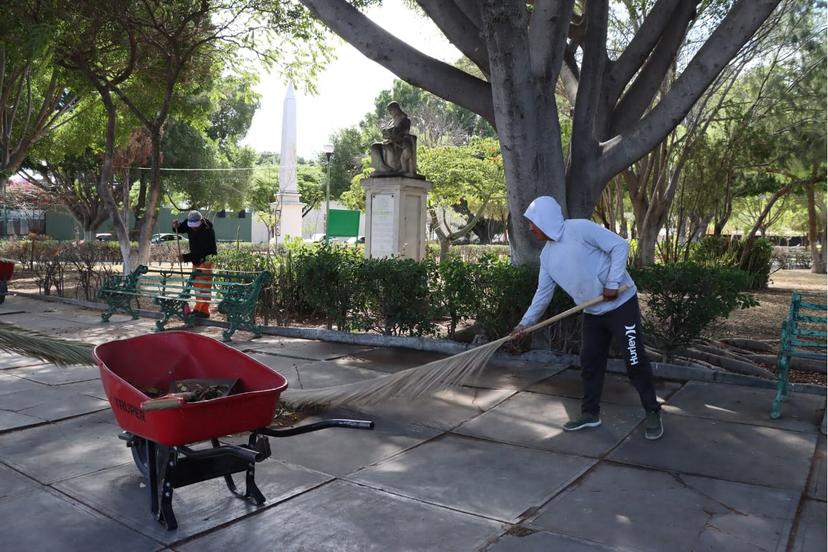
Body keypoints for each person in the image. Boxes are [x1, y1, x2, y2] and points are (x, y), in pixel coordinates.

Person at [511, 196, 663, 440]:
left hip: (622, 304)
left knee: (634, 359)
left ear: (545, 220)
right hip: (593, 311)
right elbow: (543, 294)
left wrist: (613, 283)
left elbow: (619, 246)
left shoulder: (579, 229)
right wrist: (524, 324)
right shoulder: (547, 258)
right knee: (590, 363)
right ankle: (590, 414)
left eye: (532, 222)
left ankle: (652, 410)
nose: (530, 228)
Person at [172, 210, 217, 319]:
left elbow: (201, 252)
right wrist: (175, 226)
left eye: (195, 226)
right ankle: (198, 309)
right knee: (197, 285)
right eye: (191, 226)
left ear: (201, 221)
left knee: (204, 286)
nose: (193, 228)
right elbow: (180, 228)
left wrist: (185, 257)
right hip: (196, 260)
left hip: (206, 259)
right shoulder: (189, 223)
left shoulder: (208, 231)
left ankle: (204, 311)